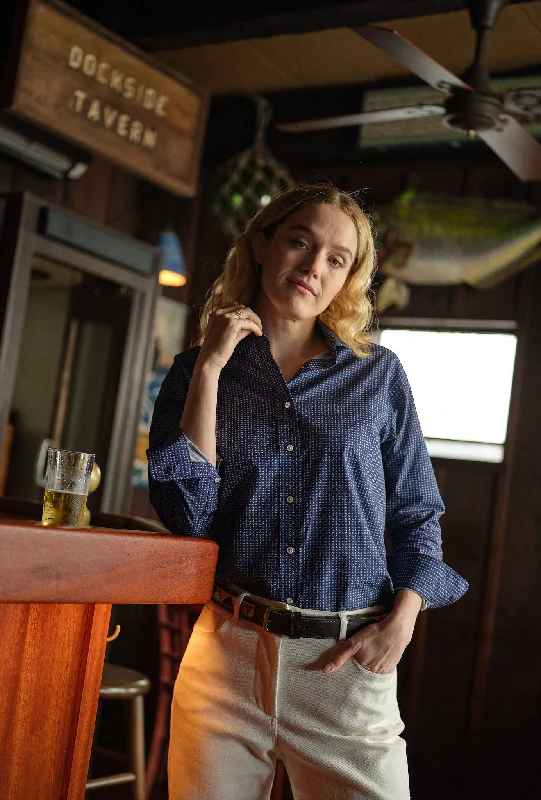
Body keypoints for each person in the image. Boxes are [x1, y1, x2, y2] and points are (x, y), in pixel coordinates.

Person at [147, 183, 468, 800]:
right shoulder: (196, 371)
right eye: (300, 242)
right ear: (263, 245)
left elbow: (417, 514)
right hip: (226, 657)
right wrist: (211, 370)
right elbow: (187, 516)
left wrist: (402, 620)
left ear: (347, 277)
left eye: (336, 258)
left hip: (345, 667)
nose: (313, 266)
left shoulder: (378, 374)